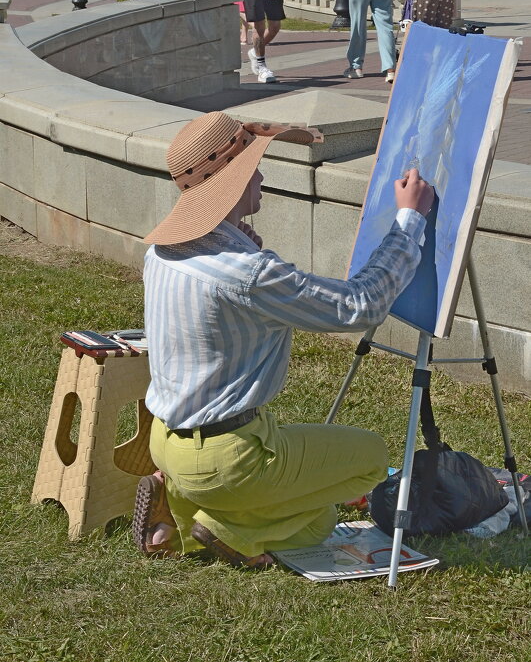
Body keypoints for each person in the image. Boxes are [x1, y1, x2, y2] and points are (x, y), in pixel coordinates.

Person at [132, 110, 434, 569]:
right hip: (227, 456)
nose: (262, 175)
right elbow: (360, 305)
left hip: (166, 442)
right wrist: (409, 219)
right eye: (253, 167)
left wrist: (245, 246)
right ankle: (226, 528)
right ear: (233, 182)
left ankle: (175, 517)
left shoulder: (162, 253)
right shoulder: (249, 273)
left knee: (317, 511)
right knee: (366, 465)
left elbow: (222, 305)